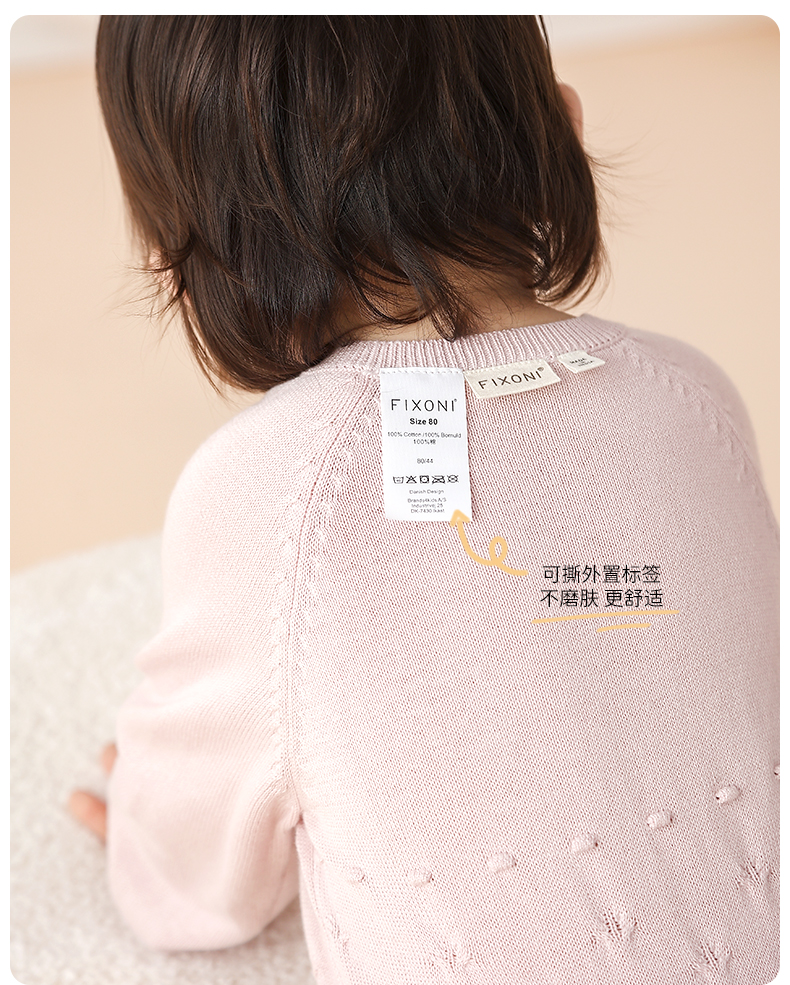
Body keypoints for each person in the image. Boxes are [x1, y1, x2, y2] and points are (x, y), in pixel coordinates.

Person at [69, 16, 779, 984]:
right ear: (564, 123)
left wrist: (148, 833)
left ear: (179, 251)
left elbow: (197, 893)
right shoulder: (693, 396)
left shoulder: (263, 489)